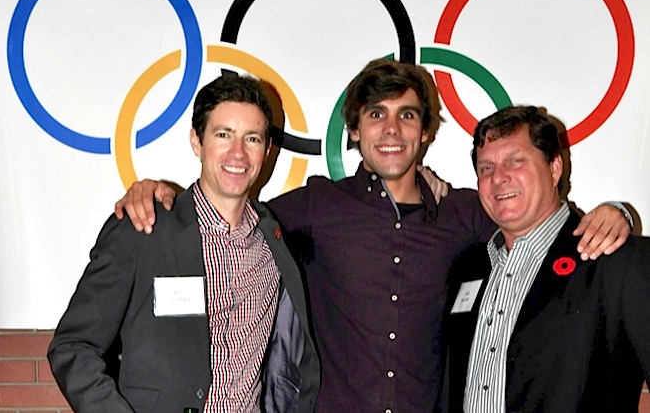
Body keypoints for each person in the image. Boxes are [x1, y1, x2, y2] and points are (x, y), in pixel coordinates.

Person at [115, 59, 630, 411]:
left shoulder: (463, 213)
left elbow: (536, 212)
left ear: (425, 131)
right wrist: (163, 192)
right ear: (354, 131)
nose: (391, 130)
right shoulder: (318, 205)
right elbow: (228, 214)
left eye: (406, 115)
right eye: (375, 115)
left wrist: (616, 211)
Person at [48, 74, 320, 413]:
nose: (238, 152)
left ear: (266, 151)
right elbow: (73, 346)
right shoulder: (142, 228)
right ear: (197, 142)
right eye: (223, 135)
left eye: (251, 138)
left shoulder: (275, 240)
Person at [446, 105, 649, 412]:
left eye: (516, 161)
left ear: (555, 168)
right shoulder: (466, 268)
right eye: (486, 168)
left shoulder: (617, 262)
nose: (499, 177)